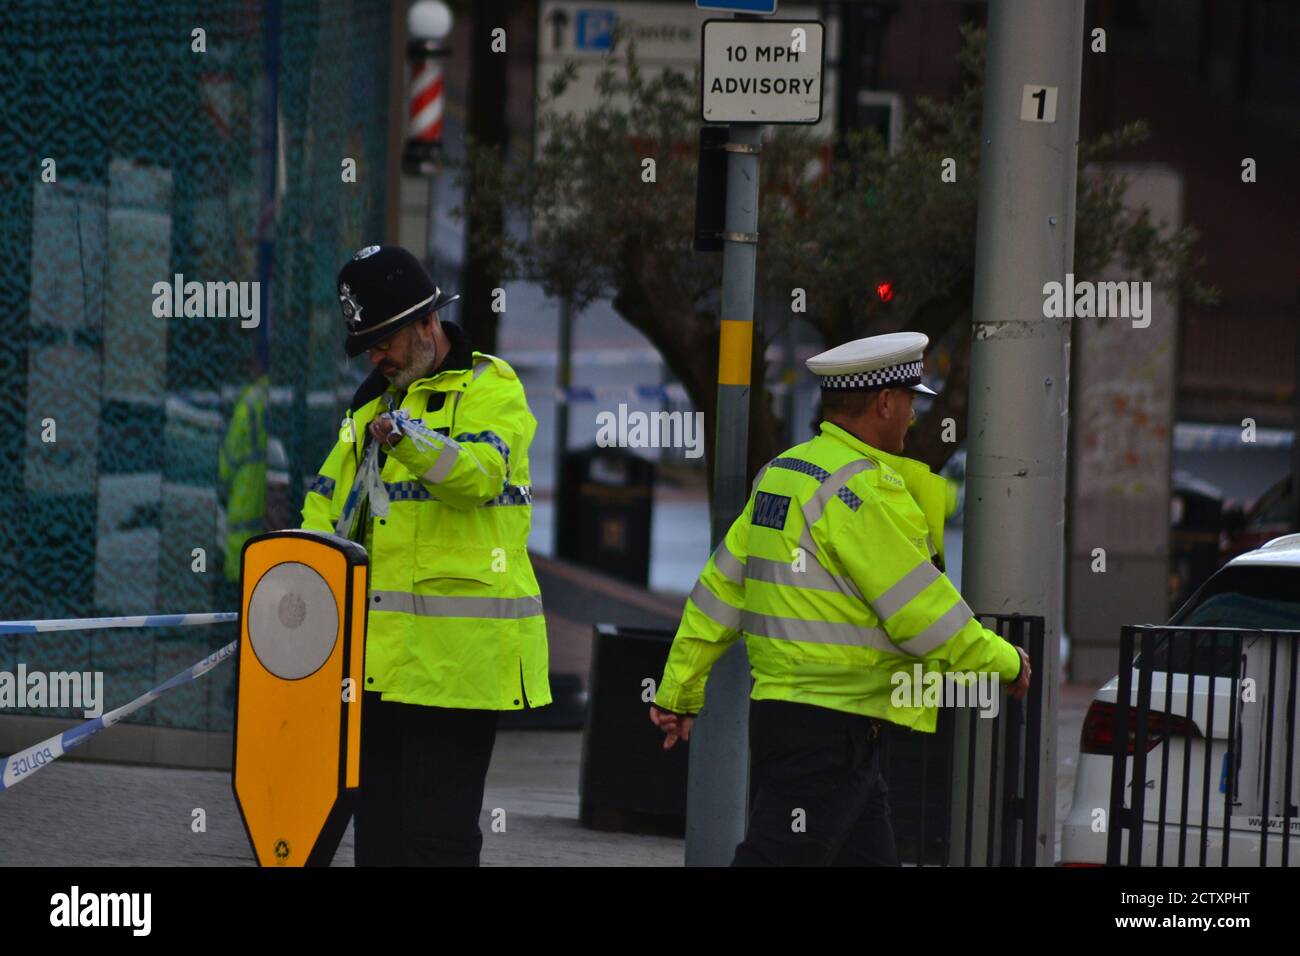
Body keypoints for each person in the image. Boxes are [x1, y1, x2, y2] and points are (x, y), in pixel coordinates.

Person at [648, 331, 1031, 866]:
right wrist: (1005, 661)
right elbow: (922, 615)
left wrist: (678, 691)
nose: (913, 418)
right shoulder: (864, 492)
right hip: (832, 729)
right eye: (910, 403)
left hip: (792, 718)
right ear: (883, 402)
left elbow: (719, 592)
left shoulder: (782, 475)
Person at [301, 244, 550, 866]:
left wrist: (407, 438)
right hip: (377, 665)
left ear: (426, 323)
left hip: (459, 669)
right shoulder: (368, 405)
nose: (377, 356)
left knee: (437, 843)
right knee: (379, 842)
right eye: (367, 347)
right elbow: (325, 507)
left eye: (384, 340)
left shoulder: (489, 387)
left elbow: (477, 477)